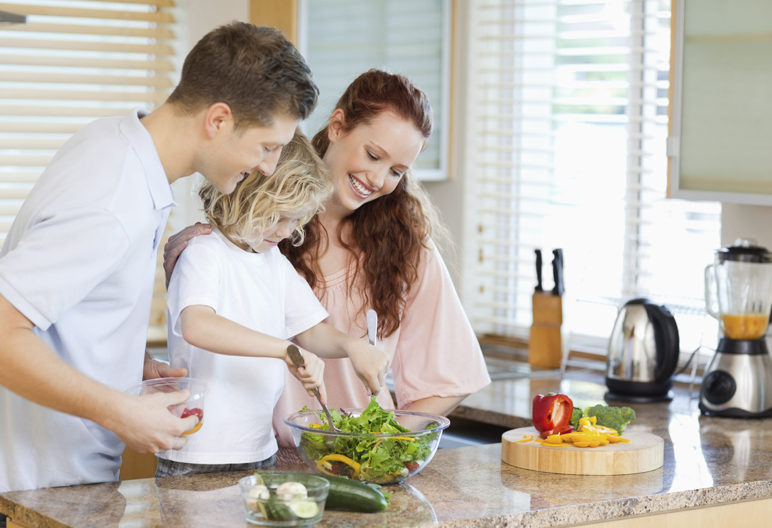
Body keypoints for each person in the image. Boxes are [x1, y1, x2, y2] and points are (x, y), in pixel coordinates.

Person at [0, 21, 319, 492]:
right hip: (37, 487)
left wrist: (128, 364)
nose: (268, 166)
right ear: (218, 120)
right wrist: (118, 409)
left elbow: (69, 309)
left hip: (58, 478)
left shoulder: (117, 143)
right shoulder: (114, 198)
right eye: (267, 146)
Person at [164, 69, 491, 453]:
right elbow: (201, 323)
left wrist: (377, 443)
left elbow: (451, 377)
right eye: (373, 154)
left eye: (397, 172)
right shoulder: (260, 230)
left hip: (353, 459)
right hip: (253, 455)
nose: (377, 178)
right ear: (337, 126)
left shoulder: (406, 247)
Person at [157, 131, 387, 477]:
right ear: (244, 194)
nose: (285, 230)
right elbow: (198, 325)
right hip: (198, 453)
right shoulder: (204, 252)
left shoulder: (273, 262)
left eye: (295, 220)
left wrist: (353, 346)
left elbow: (309, 331)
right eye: (278, 216)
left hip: (259, 450)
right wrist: (285, 351)